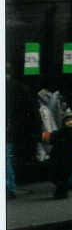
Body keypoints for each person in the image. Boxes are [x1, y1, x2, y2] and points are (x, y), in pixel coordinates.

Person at [6, 63, 39, 199]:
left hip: (10, 128)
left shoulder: (13, 88)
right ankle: (10, 187)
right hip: (14, 128)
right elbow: (30, 110)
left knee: (5, 158)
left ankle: (10, 188)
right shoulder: (19, 87)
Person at [43, 109, 72, 199]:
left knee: (64, 176)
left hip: (69, 158)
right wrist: (44, 135)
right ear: (64, 122)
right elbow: (51, 138)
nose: (70, 122)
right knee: (54, 175)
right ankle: (60, 190)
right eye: (67, 120)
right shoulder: (60, 132)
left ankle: (62, 192)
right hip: (56, 158)